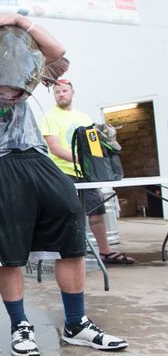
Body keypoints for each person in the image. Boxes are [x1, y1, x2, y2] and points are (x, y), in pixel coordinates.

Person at [0, 14, 128, 356]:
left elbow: (57, 52)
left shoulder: (11, 56)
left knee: (71, 227)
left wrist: (22, 21)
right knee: (8, 252)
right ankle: (20, 326)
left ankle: (76, 323)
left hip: (37, 154)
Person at [39, 79, 135, 264]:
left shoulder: (84, 118)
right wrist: (81, 161)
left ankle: (105, 251)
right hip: (63, 173)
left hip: (85, 174)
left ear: (73, 92)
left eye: (65, 91)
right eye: (58, 92)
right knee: (68, 212)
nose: (61, 94)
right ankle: (68, 251)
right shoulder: (49, 117)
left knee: (96, 208)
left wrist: (102, 160)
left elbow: (94, 146)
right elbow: (55, 148)